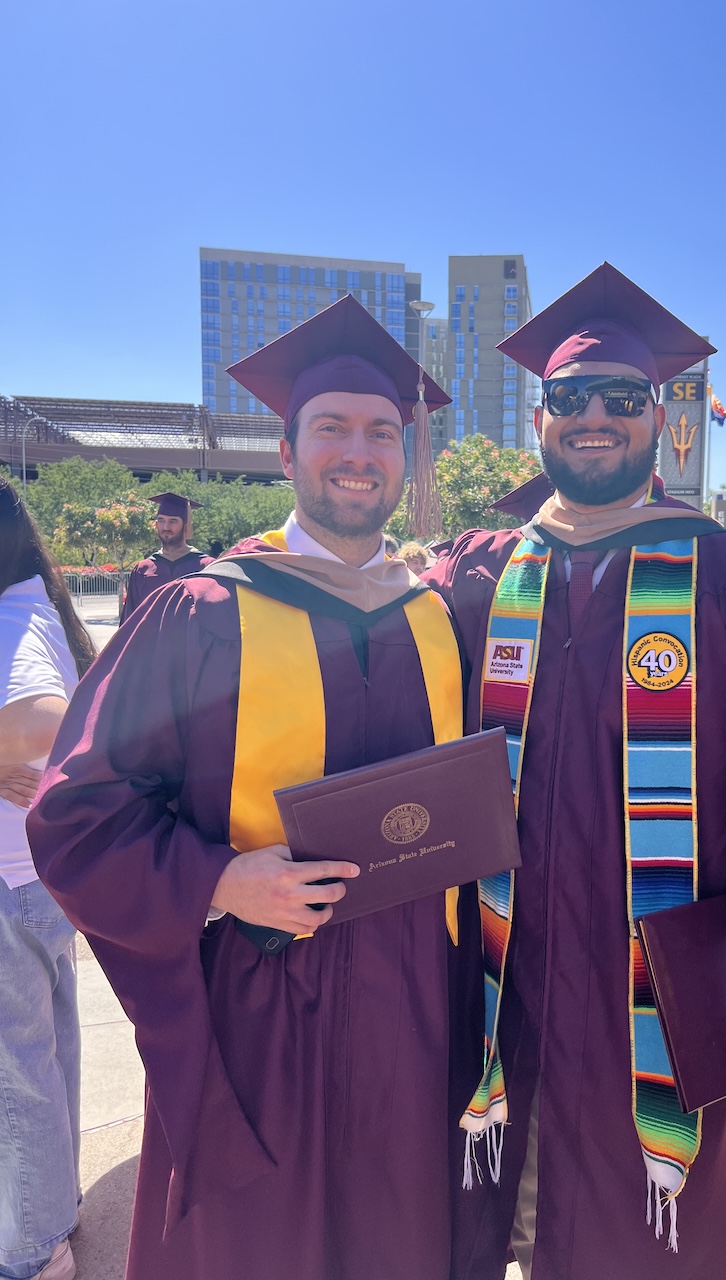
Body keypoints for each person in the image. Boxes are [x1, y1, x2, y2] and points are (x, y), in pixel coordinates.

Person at [425, 263, 726, 1280]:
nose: (593, 416)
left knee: (646, 1249)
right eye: (568, 398)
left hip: (666, 995)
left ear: (662, 419)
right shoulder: (480, 575)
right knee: (493, 1223)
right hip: (499, 985)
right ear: (540, 421)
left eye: (621, 397)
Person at [27, 296, 466, 1280]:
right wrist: (218, 879)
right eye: (332, 428)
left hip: (415, 1007)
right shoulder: (200, 611)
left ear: (405, 457)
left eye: (382, 432)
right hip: (260, 1007)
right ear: (285, 450)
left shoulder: (438, 615)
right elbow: (74, 810)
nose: (359, 452)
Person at [0, 478, 96, 1280]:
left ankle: (33, 1251)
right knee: (45, 1053)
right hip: (33, 873)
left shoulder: (11, 616)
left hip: (10, 880)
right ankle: (54, 1213)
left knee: (15, 1074)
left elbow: (47, 717)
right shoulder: (31, 600)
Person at [119, 493, 213, 622]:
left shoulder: (206, 567)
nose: (166, 527)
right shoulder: (143, 570)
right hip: (151, 642)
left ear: (186, 526)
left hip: (190, 642)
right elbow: (130, 620)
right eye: (161, 520)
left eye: (173, 521)